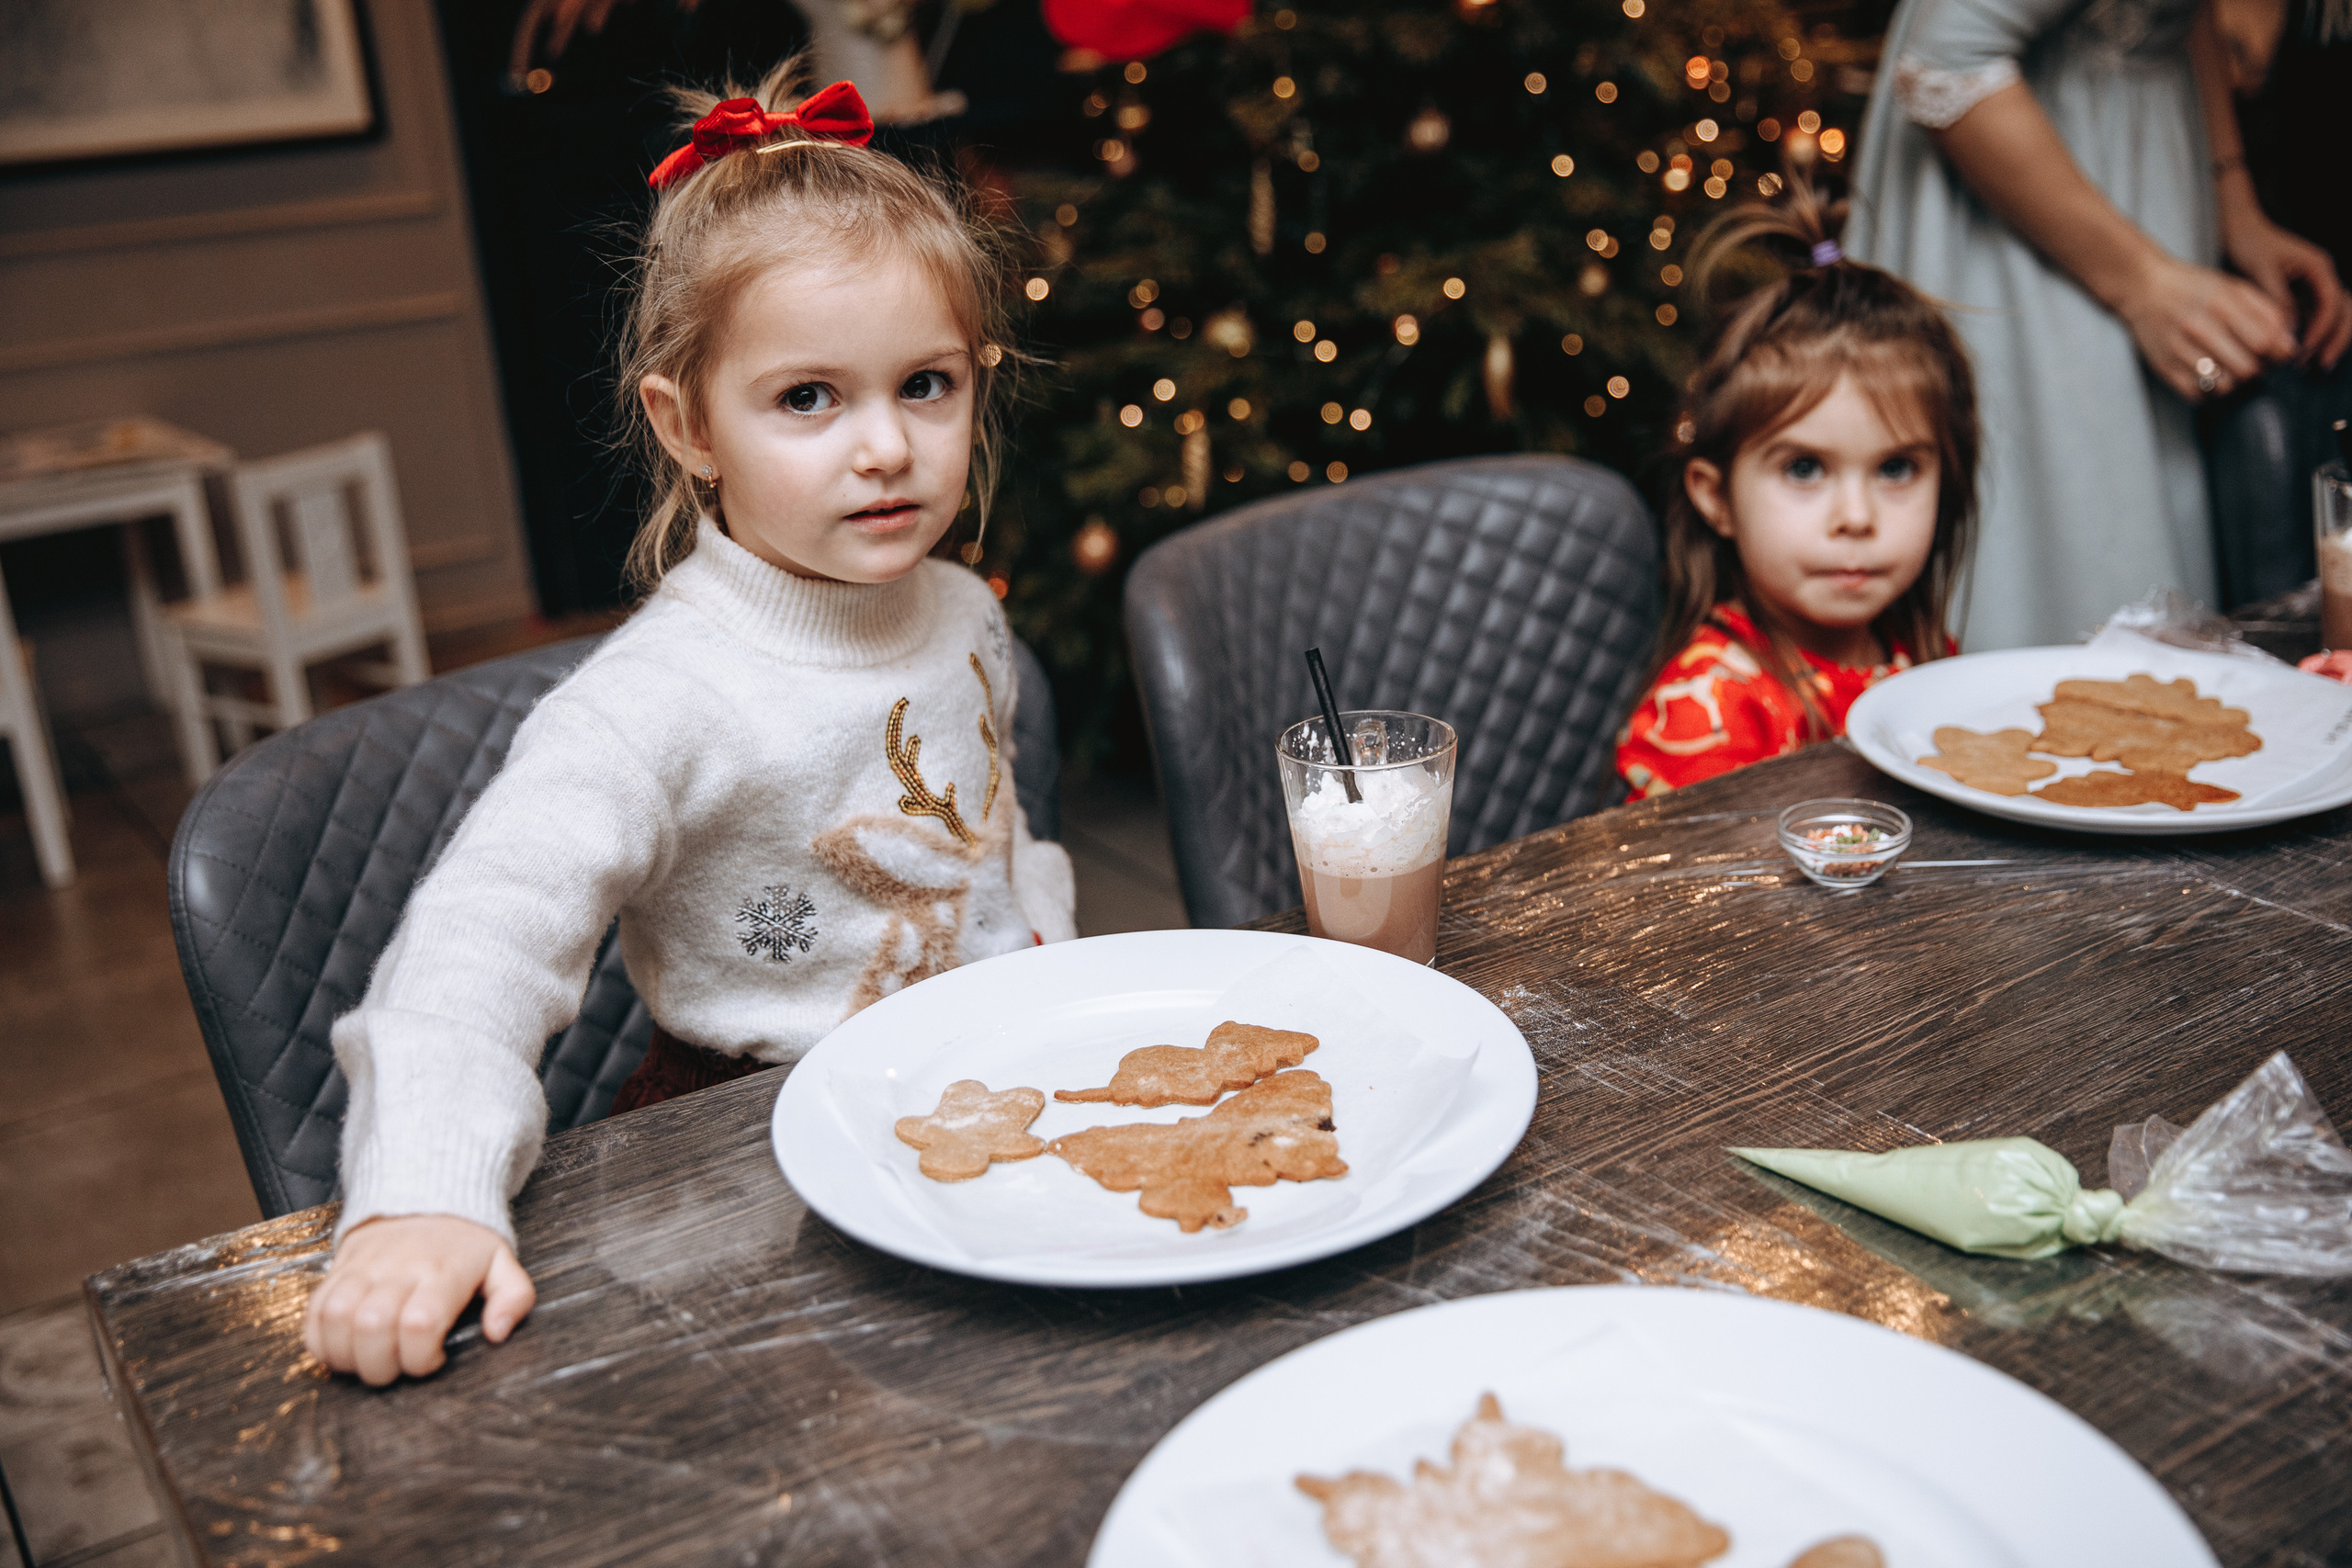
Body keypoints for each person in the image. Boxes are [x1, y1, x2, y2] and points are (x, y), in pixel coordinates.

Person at [301, 66, 1077, 1386]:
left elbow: (994, 846)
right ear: (688, 423)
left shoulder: (961, 609)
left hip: (979, 1092)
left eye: (927, 385)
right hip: (746, 1146)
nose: (885, 446)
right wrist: (425, 1187)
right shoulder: (662, 695)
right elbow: (478, 934)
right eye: (809, 398)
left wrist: (1057, 975)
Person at [1847, 0, 2350, 649]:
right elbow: (1947, 64)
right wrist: (2142, 282)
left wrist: (2234, 206)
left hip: (2145, 167)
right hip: (2026, 217)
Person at [1617, 186, 1980, 798]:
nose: (1857, 517)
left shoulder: (1923, 659)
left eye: (1896, 469)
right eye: (1805, 469)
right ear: (1717, 498)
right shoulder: (1709, 708)